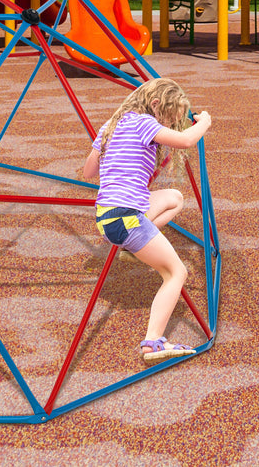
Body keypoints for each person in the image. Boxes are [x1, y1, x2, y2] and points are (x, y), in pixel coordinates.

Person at [82, 77, 212, 365]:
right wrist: (204, 122)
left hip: (106, 217)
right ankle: (153, 342)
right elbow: (188, 139)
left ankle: (131, 246)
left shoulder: (111, 126)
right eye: (168, 116)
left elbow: (89, 171)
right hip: (126, 217)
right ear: (155, 105)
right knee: (176, 273)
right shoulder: (143, 123)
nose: (168, 123)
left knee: (174, 197)